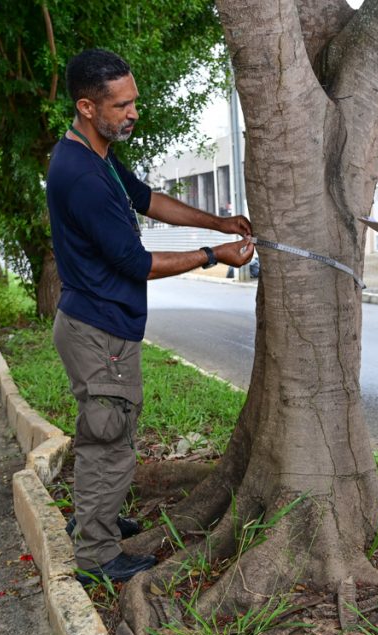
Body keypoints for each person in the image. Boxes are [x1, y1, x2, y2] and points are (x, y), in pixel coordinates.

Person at [47, 48, 255, 586]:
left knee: (105, 432)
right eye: (122, 104)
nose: (133, 112)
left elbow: (148, 199)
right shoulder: (81, 176)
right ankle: (96, 553)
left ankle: (98, 517)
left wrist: (218, 223)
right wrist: (215, 257)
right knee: (109, 440)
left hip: (98, 326)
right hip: (100, 332)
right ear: (87, 107)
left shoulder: (97, 156)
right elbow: (136, 263)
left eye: (135, 100)